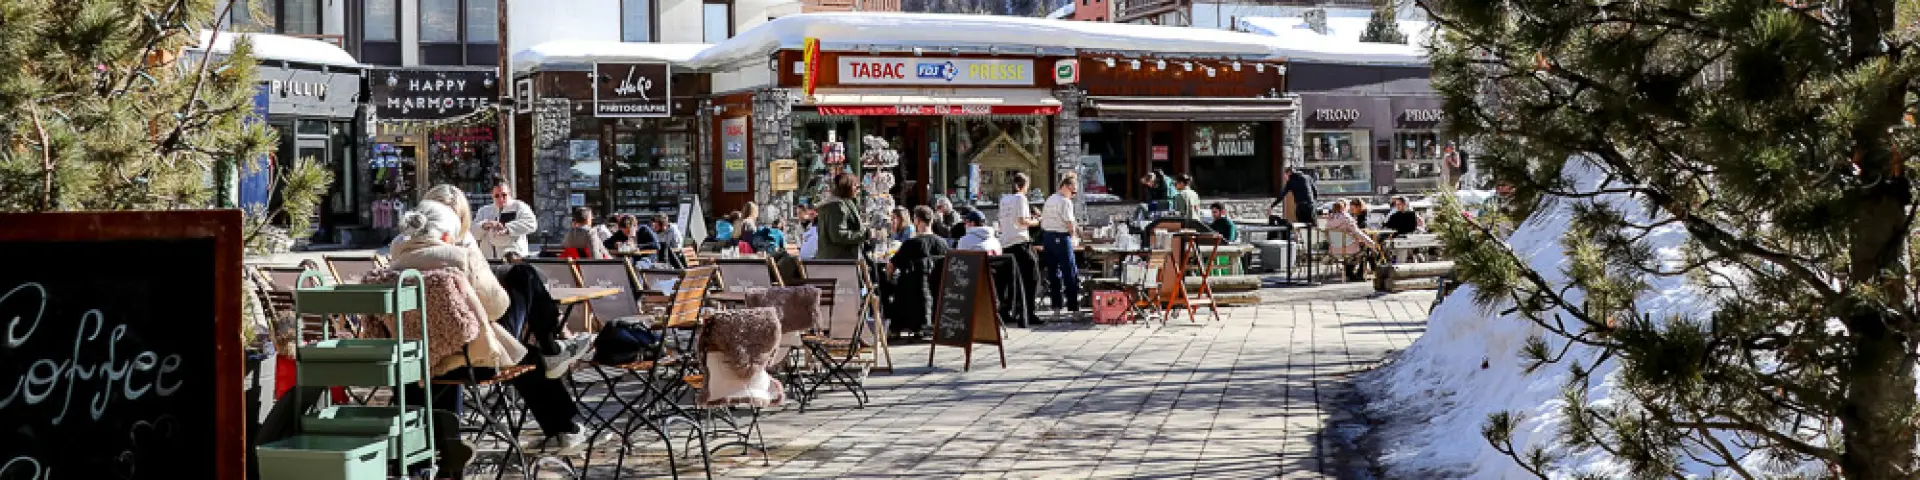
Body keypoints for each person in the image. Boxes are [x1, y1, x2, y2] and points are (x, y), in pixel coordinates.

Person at [388, 200, 587, 461]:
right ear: (447, 235)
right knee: (523, 284)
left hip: (416, 364)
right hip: (468, 359)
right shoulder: (457, 258)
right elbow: (497, 307)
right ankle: (565, 416)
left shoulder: (394, 266)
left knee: (523, 353)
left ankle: (565, 425)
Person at [887, 206, 951, 338]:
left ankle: (896, 328)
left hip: (913, 292)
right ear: (931, 221)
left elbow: (891, 266)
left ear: (916, 221)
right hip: (938, 291)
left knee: (896, 285)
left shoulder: (911, 244)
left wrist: (889, 278)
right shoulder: (943, 243)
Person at [999, 172, 1043, 327]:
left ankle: (1009, 311)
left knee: (1013, 281)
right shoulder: (1020, 198)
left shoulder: (1004, 200)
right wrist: (1037, 221)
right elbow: (1021, 221)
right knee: (1031, 278)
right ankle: (1028, 313)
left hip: (1006, 244)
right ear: (1024, 186)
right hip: (1020, 242)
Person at [1040, 172, 1083, 318]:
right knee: (1070, 273)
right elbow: (1069, 223)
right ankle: (1074, 309)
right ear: (1066, 187)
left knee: (1053, 274)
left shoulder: (1050, 198)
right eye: (1073, 191)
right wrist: (1074, 236)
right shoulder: (1065, 202)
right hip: (1061, 237)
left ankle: (1056, 308)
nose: (1073, 195)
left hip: (1048, 238)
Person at [475, 183, 537, 260]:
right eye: (497, 196)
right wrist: (484, 225)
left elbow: (531, 224)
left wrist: (507, 228)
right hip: (489, 260)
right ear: (492, 195)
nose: (501, 199)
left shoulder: (519, 206)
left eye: (504, 195)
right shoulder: (484, 211)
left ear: (509, 193)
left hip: (514, 259)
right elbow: (473, 233)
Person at [1324, 198, 1381, 282]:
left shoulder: (1329, 220)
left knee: (1364, 248)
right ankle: (1362, 272)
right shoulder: (1347, 218)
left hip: (1334, 249)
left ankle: (1354, 272)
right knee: (1365, 249)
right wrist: (1372, 243)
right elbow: (1358, 232)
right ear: (1344, 208)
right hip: (1349, 249)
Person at [815, 173, 868, 260]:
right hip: (839, 260)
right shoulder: (836, 205)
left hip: (835, 258)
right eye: (855, 186)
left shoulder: (838, 203)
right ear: (847, 187)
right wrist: (865, 234)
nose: (858, 190)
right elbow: (838, 235)